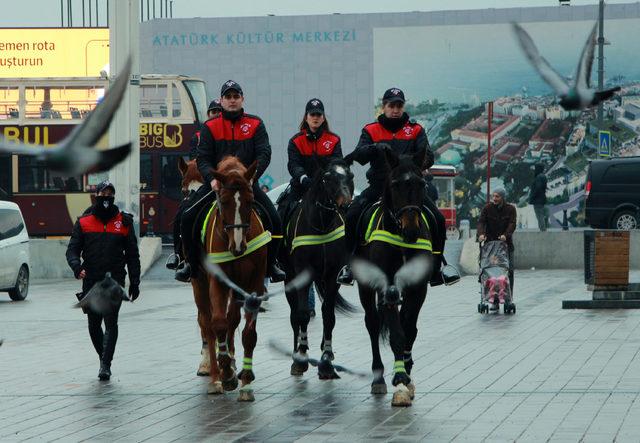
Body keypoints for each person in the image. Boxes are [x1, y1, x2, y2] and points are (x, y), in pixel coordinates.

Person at [338, 87, 459, 286]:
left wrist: (412, 162)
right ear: (383, 107)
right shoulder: (371, 130)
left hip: (409, 190)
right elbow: (358, 155)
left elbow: (428, 156)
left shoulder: (416, 129)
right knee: (352, 215)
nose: (395, 109)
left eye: (399, 105)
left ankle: (438, 267)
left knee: (437, 218)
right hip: (379, 186)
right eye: (391, 105)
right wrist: (375, 148)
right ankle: (349, 266)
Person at [176, 80, 286, 283]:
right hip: (219, 185)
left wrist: (252, 177)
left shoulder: (255, 124)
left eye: (236, 96)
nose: (232, 100)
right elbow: (203, 158)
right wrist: (211, 180)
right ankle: (189, 263)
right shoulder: (210, 126)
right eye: (228, 97)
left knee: (275, 220)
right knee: (187, 216)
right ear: (222, 100)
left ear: (242, 99)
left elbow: (264, 153)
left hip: (246, 185)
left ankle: (272, 264)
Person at [66, 181, 141, 380]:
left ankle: (105, 365)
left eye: (110, 193)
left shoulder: (124, 222)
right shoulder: (83, 222)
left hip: (115, 280)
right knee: (93, 324)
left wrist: (135, 282)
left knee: (111, 322)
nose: (106, 197)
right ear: (96, 195)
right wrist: (77, 267)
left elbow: (133, 255)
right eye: (103, 193)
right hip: (91, 280)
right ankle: (103, 357)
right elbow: (72, 250)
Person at [167, 99, 224, 271]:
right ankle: (181, 256)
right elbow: (195, 161)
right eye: (213, 111)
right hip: (205, 182)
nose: (216, 114)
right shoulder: (198, 137)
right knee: (183, 215)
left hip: (227, 181)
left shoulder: (230, 131)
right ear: (208, 115)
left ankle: (271, 260)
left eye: (219, 111)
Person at [277, 98, 342, 224]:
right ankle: (280, 243)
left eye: (319, 114)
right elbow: (293, 165)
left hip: (327, 189)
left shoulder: (334, 140)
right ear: (306, 117)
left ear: (323, 118)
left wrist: (326, 179)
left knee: (347, 211)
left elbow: (337, 164)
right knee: (282, 212)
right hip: (301, 188)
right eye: (312, 114)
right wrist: (303, 178)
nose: (315, 118)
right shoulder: (296, 141)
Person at [477, 188, 516, 309]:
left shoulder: (510, 209)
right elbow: (481, 222)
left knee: (507, 272)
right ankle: (493, 299)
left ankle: (508, 298)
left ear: (503, 198)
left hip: (505, 246)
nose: (494, 199)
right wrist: (481, 234)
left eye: (497, 196)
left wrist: (506, 235)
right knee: (491, 272)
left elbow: (512, 223)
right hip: (491, 247)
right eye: (493, 196)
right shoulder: (487, 208)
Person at [529, 163, 547, 232]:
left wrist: (532, 197)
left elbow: (537, 188)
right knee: (540, 215)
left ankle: (542, 230)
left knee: (539, 215)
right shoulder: (543, 176)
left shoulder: (539, 177)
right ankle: (542, 229)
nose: (534, 170)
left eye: (536, 168)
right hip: (541, 199)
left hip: (537, 200)